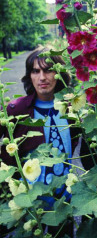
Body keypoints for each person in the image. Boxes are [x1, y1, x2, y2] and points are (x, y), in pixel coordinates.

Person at [0, 46, 79, 183]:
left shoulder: (71, 108)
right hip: (31, 197)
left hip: (66, 197)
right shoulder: (16, 110)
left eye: (48, 70)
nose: (42, 77)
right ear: (29, 76)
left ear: (59, 74)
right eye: (36, 71)